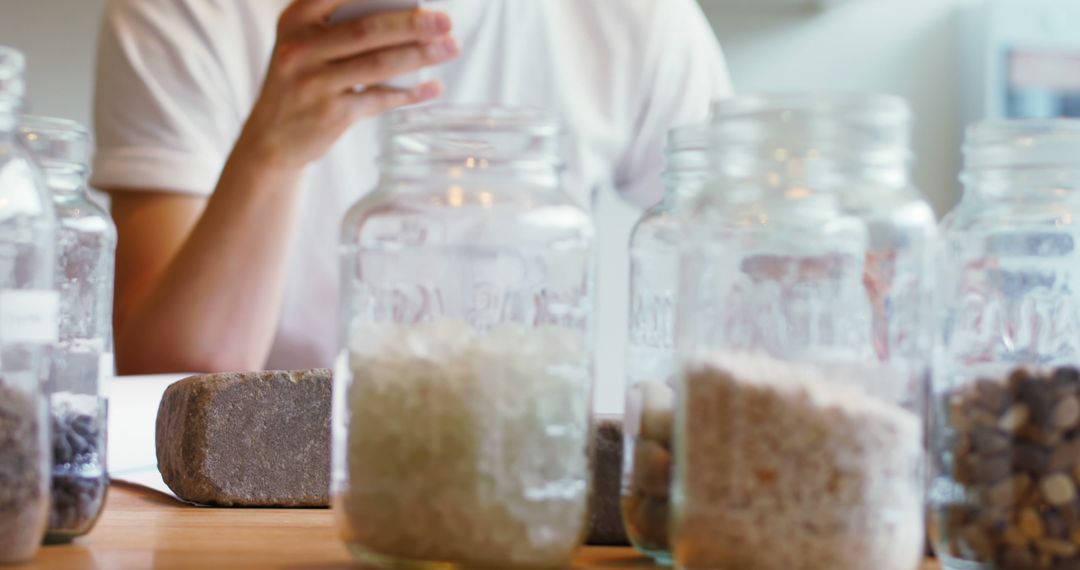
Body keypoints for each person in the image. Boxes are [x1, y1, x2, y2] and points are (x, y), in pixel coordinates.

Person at [92, 0, 732, 374]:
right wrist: (271, 154)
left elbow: (738, 269)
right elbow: (166, 387)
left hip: (519, 470)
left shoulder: (632, 20)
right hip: (257, 497)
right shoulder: (184, 15)